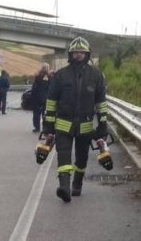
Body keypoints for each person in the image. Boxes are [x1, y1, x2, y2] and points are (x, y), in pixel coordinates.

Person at [43, 37, 108, 202]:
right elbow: (51, 102)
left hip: (85, 126)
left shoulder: (96, 75)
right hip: (63, 124)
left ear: (87, 54)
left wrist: (103, 124)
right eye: (75, 52)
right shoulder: (60, 76)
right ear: (70, 54)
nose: (78, 55)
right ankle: (64, 186)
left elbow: (101, 102)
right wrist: (48, 125)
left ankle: (77, 184)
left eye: (81, 52)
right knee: (63, 155)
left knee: (81, 158)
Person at [30, 63, 51, 132]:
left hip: (37, 98)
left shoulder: (38, 76)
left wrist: (32, 96)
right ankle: (45, 128)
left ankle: (37, 127)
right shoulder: (50, 77)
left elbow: (34, 87)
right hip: (47, 98)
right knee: (45, 114)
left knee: (36, 113)